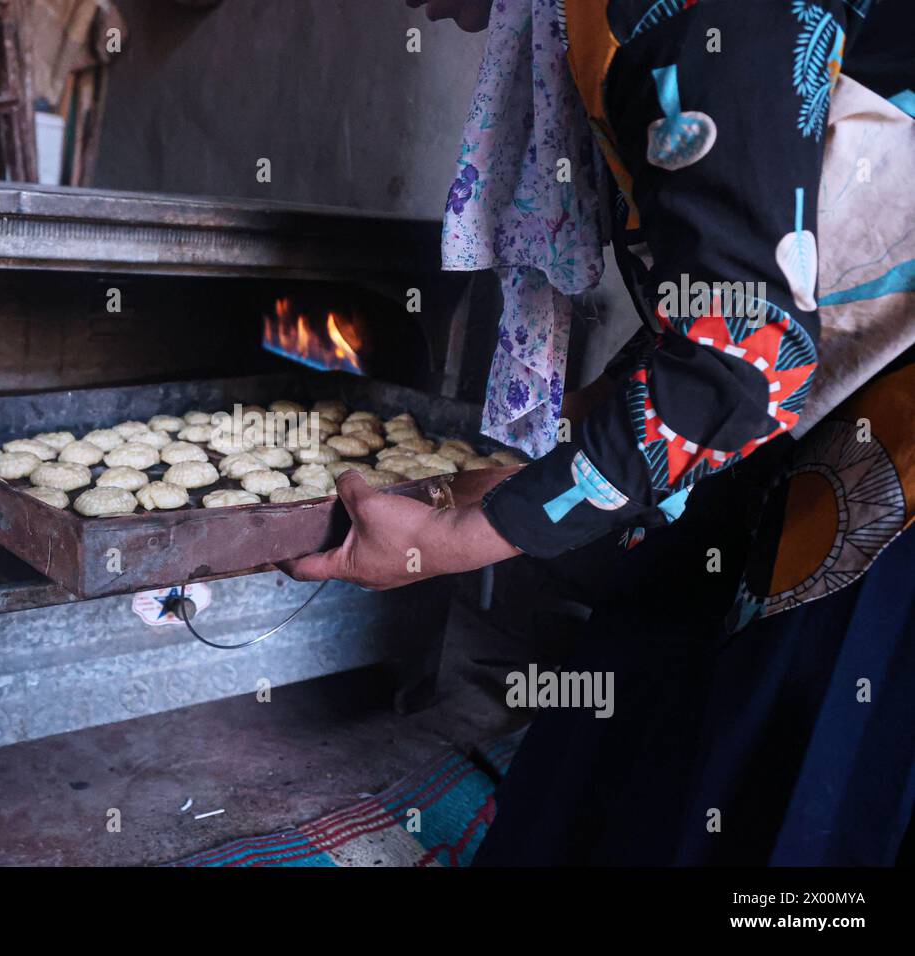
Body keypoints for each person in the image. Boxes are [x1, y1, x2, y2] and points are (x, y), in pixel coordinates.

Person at [285, 0, 915, 865]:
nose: (414, 8)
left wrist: (463, 535)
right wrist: (564, 446)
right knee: (605, 745)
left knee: (792, 770)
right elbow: (728, 278)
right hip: (817, 391)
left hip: (885, 444)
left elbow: (743, 362)